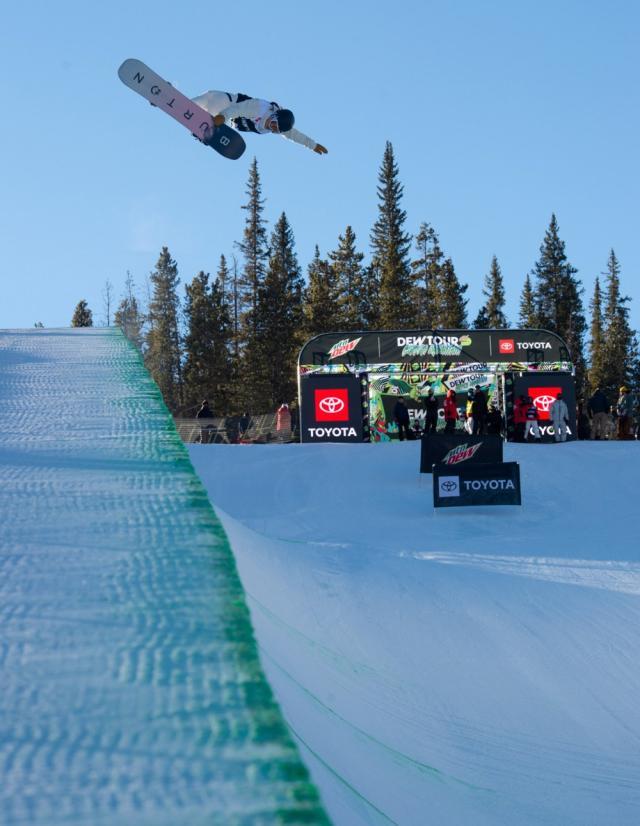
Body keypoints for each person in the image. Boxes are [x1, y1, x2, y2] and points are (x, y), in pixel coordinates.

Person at [191, 90, 328, 155]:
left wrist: (312, 145)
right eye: (274, 123)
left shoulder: (277, 126)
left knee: (194, 105)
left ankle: (171, 92)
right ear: (274, 115)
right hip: (225, 102)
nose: (272, 128)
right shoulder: (260, 108)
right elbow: (236, 109)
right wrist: (222, 117)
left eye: (276, 130)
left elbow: (294, 135)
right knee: (210, 107)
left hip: (223, 109)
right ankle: (207, 129)